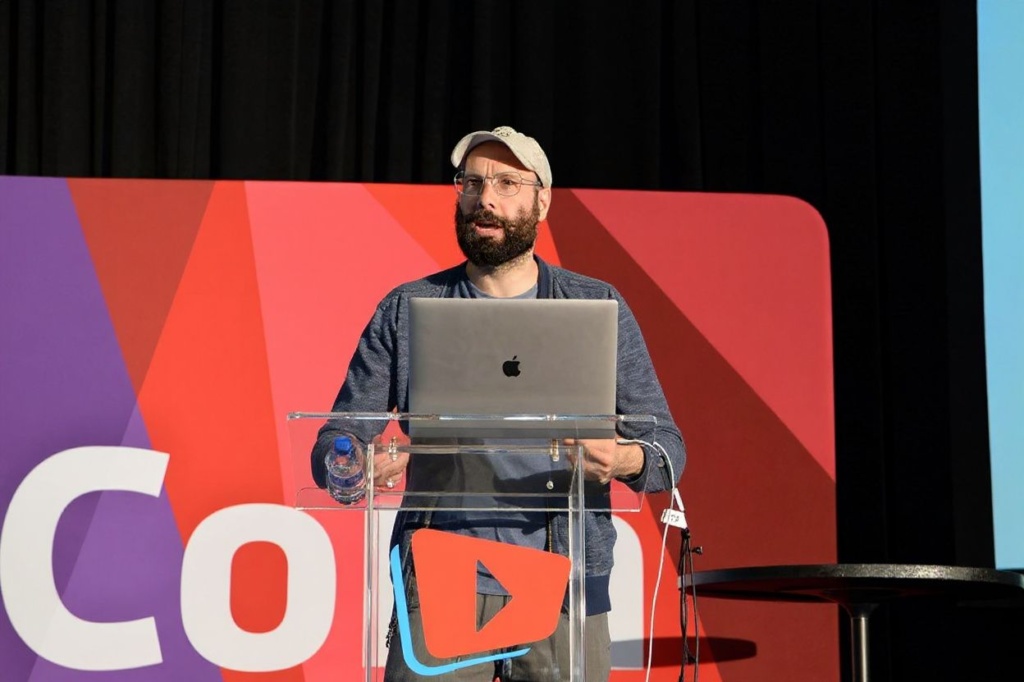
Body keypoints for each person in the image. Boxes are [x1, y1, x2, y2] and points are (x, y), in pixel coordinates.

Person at [311, 126, 685, 681]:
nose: (486, 198)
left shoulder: (596, 305)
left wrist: (623, 459)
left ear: (542, 200)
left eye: (508, 183)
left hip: (565, 585)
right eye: (473, 182)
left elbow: (667, 450)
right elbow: (338, 436)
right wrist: (350, 463)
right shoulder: (408, 308)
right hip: (440, 580)